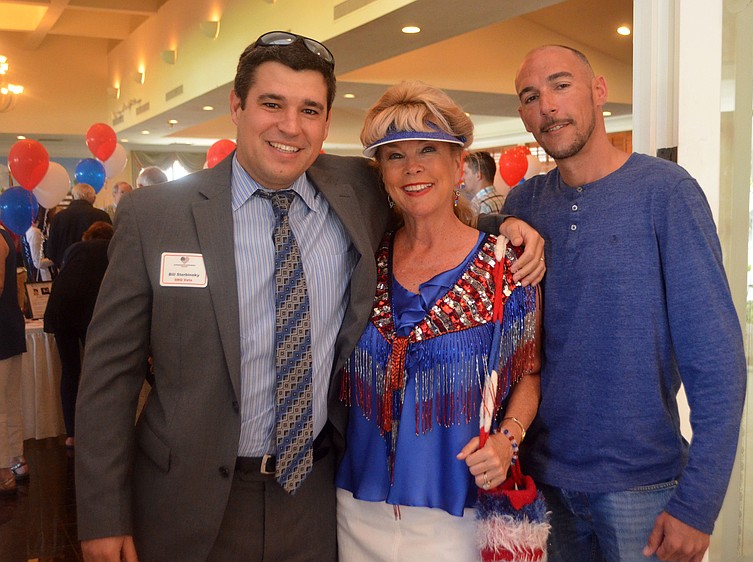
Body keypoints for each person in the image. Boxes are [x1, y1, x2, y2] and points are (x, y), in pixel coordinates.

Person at [74, 32, 545, 562]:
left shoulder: (355, 190)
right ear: (237, 106)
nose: (290, 126)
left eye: (309, 110)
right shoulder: (157, 216)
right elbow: (108, 378)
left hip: (316, 497)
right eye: (271, 104)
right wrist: (102, 515)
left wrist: (505, 225)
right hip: (186, 498)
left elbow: (426, 194)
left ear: (325, 123)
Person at [504, 45, 747, 562]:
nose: (546, 105)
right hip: (541, 486)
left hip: (644, 487)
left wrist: (699, 504)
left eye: (561, 85)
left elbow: (717, 362)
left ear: (599, 92)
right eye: (530, 96)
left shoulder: (666, 192)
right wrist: (500, 224)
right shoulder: (523, 204)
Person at [335, 80, 542, 561]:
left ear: (459, 163)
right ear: (380, 173)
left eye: (428, 149)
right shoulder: (364, 258)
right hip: (356, 510)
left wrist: (507, 440)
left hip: (459, 515)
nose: (412, 168)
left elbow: (528, 372)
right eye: (394, 155)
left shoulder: (505, 264)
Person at [43, 221, 114, 449]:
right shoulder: (113, 250)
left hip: (60, 310)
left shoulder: (74, 249)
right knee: (96, 371)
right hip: (88, 312)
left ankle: (71, 434)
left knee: (70, 370)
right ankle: (99, 429)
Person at [0, 221, 27, 494]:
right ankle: (16, 461)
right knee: (7, 400)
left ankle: (4, 470)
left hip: (2, 327)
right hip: (8, 324)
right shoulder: (4, 234)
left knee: (2, 402)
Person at [44, 183, 111, 271]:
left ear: (73, 197)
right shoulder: (102, 216)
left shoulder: (59, 217)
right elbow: (110, 246)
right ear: (93, 199)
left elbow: (51, 252)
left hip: (67, 269)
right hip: (97, 270)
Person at [463, 150, 505, 215]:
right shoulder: (504, 201)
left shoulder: (478, 207)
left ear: (478, 176)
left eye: (466, 173)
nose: (462, 178)